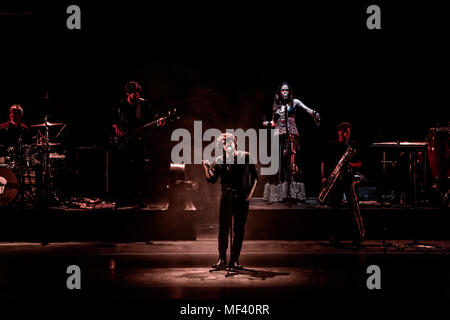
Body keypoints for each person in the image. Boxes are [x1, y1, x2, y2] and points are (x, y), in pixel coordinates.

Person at [202, 133, 258, 269]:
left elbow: (255, 177)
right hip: (226, 198)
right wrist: (206, 169)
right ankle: (222, 259)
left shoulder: (246, 156)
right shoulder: (220, 160)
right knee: (223, 230)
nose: (228, 145)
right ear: (223, 145)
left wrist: (250, 194)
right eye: (225, 143)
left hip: (242, 198)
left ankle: (235, 260)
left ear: (235, 143)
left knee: (239, 230)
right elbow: (212, 179)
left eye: (230, 142)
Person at [109, 81, 165, 205]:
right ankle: (122, 197)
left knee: (140, 168)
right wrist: (117, 127)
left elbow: (154, 116)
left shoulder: (143, 104)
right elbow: (111, 119)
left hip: (138, 140)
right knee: (123, 168)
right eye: (134, 93)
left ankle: (140, 197)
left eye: (138, 93)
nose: (137, 95)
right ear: (128, 93)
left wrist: (159, 120)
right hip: (122, 141)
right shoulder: (121, 104)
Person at [264, 82, 320, 185]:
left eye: (286, 90)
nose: (285, 92)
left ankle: (293, 182)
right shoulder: (277, 105)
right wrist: (267, 123)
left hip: (291, 132)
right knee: (280, 160)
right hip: (280, 133)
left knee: (292, 158)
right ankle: (281, 184)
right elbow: (274, 123)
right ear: (280, 92)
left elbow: (307, 110)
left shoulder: (294, 102)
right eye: (283, 90)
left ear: (289, 92)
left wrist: (315, 114)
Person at [321, 122, 363, 250]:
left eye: (348, 132)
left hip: (348, 181)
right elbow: (323, 163)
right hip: (335, 181)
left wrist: (351, 164)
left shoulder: (353, 146)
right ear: (339, 131)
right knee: (336, 210)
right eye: (344, 131)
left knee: (353, 210)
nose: (346, 134)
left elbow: (360, 163)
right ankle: (336, 236)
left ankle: (357, 238)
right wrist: (323, 177)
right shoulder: (331, 145)